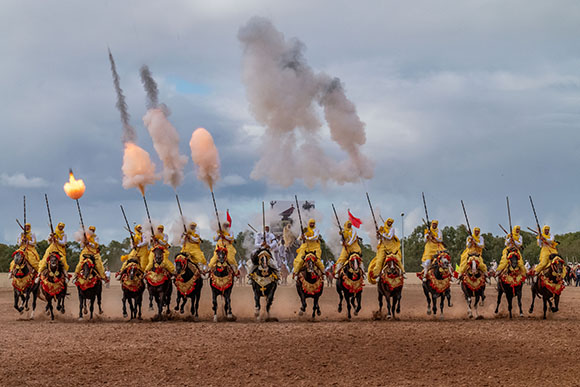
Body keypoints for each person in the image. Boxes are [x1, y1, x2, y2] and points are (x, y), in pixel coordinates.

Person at [369, 218, 403, 283]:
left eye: (391, 222)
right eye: (389, 222)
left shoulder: (392, 229)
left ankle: (402, 272)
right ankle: (377, 275)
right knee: (379, 261)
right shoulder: (382, 229)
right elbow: (378, 238)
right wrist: (378, 234)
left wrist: (382, 234)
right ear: (387, 222)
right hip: (383, 247)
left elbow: (389, 237)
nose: (389, 223)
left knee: (396, 259)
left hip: (391, 247)